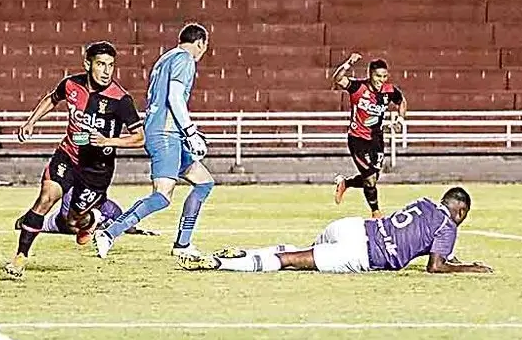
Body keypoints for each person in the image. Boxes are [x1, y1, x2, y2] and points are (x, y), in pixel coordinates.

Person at [4, 41, 144, 279]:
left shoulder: (121, 100)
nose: (106, 71)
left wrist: (108, 141)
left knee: (73, 221)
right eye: (101, 64)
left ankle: (92, 220)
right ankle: (20, 257)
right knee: (45, 199)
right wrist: (31, 122)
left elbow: (140, 137)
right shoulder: (70, 84)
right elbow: (52, 98)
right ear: (88, 64)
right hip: (68, 156)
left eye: (111, 65)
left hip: (97, 170)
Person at [93, 23, 214, 259]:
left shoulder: (165, 58)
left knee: (204, 183)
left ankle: (183, 244)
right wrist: (190, 131)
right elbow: (175, 97)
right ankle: (109, 232)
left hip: (166, 132)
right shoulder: (185, 59)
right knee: (162, 196)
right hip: (166, 134)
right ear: (200, 43)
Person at [178, 187, 492, 274]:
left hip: (351, 226)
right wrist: (470, 268)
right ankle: (221, 263)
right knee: (291, 262)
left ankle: (246, 253)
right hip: (362, 252)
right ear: (461, 211)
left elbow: (418, 236)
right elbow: (436, 266)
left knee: (300, 253)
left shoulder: (424, 203)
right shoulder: (448, 226)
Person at [330, 53, 407, 218]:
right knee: (370, 178)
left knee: (372, 178)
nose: (381, 80)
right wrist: (348, 63)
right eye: (378, 76)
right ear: (370, 74)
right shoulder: (358, 88)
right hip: (357, 139)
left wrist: (400, 119)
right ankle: (376, 213)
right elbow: (338, 79)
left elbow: (402, 101)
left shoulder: (389, 91)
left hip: (376, 139)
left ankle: (346, 183)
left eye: (384, 76)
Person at [15, 188, 158, 239]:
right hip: (58, 224)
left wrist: (138, 231)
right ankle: (24, 220)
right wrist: (86, 231)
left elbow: (124, 224)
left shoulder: (112, 209)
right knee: (25, 223)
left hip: (90, 226)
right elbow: (68, 222)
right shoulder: (72, 195)